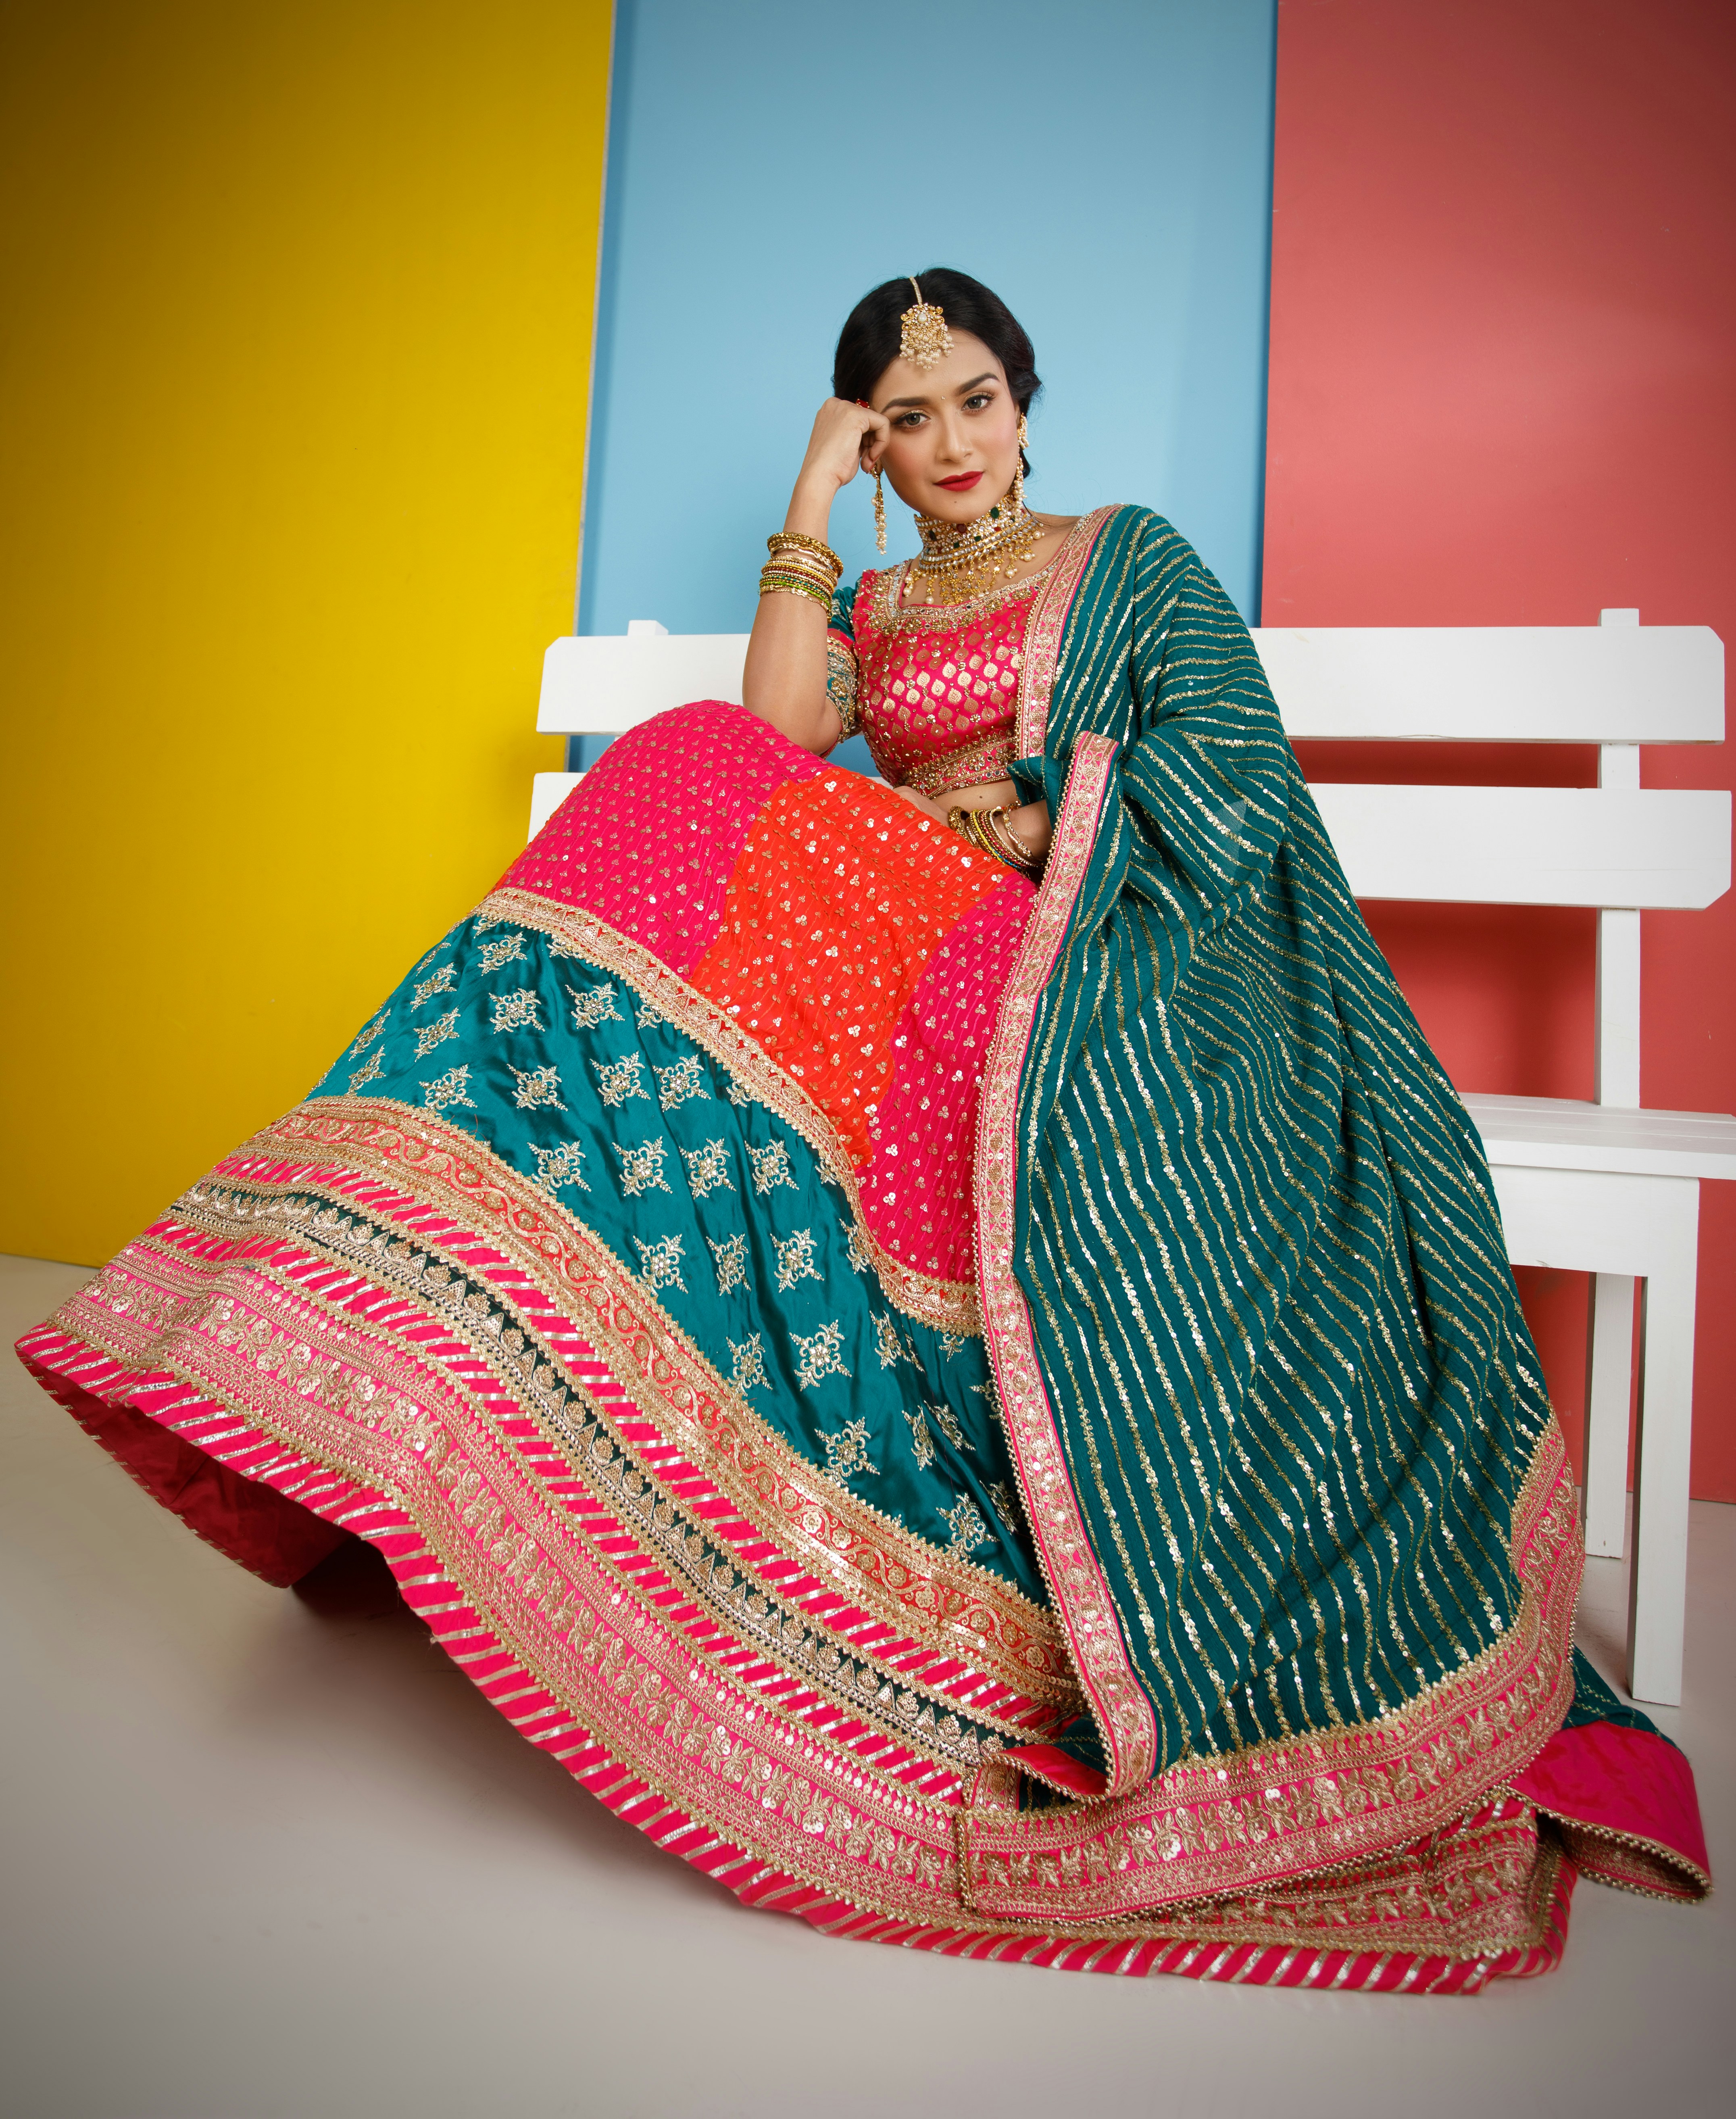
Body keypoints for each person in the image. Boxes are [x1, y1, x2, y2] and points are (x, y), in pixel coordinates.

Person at [17, 269, 1707, 1989]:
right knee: (684, 762)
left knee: (690, 782)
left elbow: (1232, 779)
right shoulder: (880, 599)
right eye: (907, 420)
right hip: (918, 958)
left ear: (1026, 403)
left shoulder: (1131, 560)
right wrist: (811, 510)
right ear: (876, 449)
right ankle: (406, 1320)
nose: (953, 440)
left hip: (1087, 966)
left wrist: (1037, 820)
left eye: (976, 398)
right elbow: (771, 739)